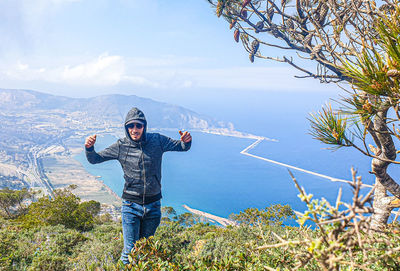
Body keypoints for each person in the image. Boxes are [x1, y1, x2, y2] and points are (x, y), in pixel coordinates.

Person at [84, 107, 192, 265]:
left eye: (138, 125)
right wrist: (89, 147)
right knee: (129, 251)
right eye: (131, 126)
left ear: (144, 126)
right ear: (126, 128)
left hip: (153, 206)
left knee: (146, 250)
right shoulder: (121, 146)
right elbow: (95, 159)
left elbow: (181, 147)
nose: (134, 129)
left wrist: (187, 141)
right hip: (130, 205)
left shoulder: (157, 140)